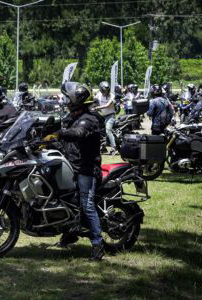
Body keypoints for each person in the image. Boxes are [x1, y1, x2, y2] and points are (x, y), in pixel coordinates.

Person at [56, 82, 104, 260]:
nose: (65, 100)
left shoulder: (89, 119)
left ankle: (98, 245)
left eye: (68, 97)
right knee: (66, 200)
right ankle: (70, 233)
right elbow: (62, 134)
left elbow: (77, 133)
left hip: (86, 169)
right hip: (71, 166)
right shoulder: (71, 117)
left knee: (87, 205)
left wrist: (59, 133)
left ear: (77, 100)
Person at [94, 81, 117, 155]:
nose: (106, 92)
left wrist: (97, 107)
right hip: (102, 116)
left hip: (110, 115)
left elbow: (107, 105)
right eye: (104, 91)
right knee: (101, 132)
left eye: (107, 91)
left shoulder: (112, 95)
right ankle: (103, 147)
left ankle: (114, 148)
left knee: (108, 131)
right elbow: (94, 100)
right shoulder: (99, 94)